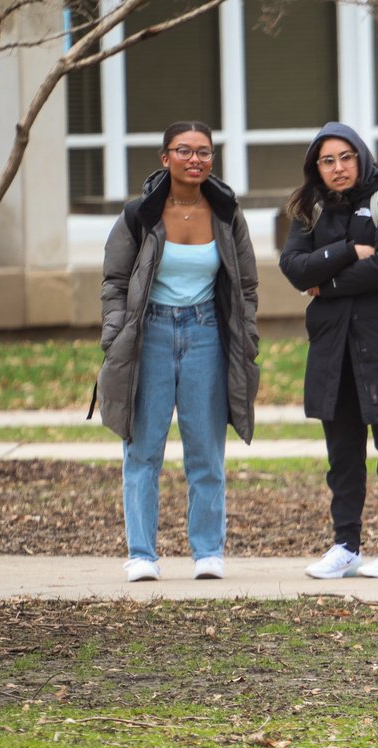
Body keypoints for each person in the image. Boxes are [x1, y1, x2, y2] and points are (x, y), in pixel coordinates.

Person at [96, 121, 260, 582]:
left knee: (206, 449)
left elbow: (246, 285)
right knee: (143, 448)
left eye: (204, 152)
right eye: (184, 151)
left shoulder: (227, 214)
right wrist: (115, 334)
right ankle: (142, 553)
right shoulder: (139, 214)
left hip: (207, 332)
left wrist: (246, 335)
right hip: (148, 335)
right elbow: (114, 281)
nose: (195, 160)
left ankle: (208, 551)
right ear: (165, 158)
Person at [279, 122, 378, 579]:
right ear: (316, 168)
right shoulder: (307, 209)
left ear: (361, 158)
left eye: (346, 157)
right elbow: (292, 267)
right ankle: (345, 546)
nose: (338, 168)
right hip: (334, 351)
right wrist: (348, 250)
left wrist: (324, 287)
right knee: (342, 456)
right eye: (328, 160)